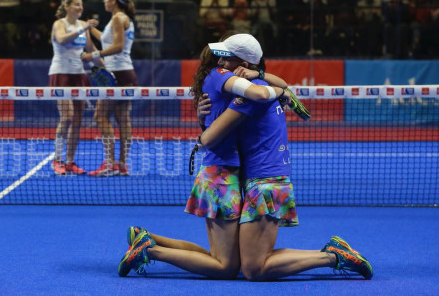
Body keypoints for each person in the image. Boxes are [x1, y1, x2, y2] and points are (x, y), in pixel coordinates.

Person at [117, 34, 289, 278]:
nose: (221, 59)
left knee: (218, 257)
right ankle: (150, 251)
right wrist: (282, 91)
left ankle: (147, 239)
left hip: (223, 173)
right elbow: (215, 132)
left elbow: (262, 91)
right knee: (226, 267)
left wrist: (269, 83)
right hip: (221, 176)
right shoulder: (228, 80)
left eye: (227, 56)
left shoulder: (229, 81)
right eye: (221, 54)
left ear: (245, 64)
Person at [195, 48, 374, 281]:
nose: (219, 64)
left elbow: (212, 137)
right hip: (258, 178)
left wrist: (202, 136)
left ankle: (333, 257)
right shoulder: (261, 89)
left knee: (252, 268)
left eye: (227, 59)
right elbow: (277, 87)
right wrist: (203, 117)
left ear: (244, 64)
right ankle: (332, 254)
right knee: (242, 261)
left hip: (266, 182)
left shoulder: (253, 95)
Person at [83, 0, 137, 177]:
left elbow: (118, 47)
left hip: (116, 75)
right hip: (126, 73)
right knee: (123, 119)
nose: (104, 0)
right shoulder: (121, 18)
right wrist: (89, 29)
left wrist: (93, 55)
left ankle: (110, 163)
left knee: (99, 116)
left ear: (114, 0)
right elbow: (108, 41)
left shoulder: (117, 18)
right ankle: (121, 165)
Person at [48, 0, 100, 176]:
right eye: (77, 4)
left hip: (79, 75)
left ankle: (69, 161)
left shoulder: (83, 27)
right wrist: (83, 28)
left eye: (82, 4)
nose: (80, 7)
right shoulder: (59, 24)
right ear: (67, 7)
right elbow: (61, 39)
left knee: (77, 119)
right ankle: (57, 159)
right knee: (67, 116)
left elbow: (91, 50)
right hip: (60, 73)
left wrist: (108, 68)